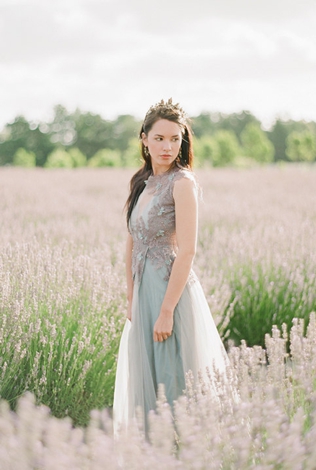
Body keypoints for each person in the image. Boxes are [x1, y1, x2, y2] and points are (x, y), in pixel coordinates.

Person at [113, 98, 230, 436]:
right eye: (160, 138)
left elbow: (188, 250)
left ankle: (183, 449)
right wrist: (131, 297)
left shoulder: (183, 183)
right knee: (146, 375)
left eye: (175, 139)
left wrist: (166, 310)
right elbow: (132, 240)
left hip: (170, 291)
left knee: (172, 374)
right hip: (143, 292)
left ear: (183, 141)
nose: (167, 147)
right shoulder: (141, 182)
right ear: (144, 138)